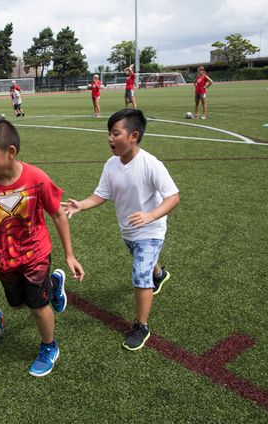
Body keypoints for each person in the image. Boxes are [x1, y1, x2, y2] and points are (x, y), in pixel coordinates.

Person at [0, 116, 85, 377]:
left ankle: (48, 347)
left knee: (37, 306)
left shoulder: (36, 178)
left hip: (36, 255)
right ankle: (54, 285)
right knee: (17, 304)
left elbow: (57, 215)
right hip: (4, 260)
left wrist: (69, 254)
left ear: (10, 152)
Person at [61, 109, 180, 351]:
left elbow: (173, 197)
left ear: (134, 136)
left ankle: (141, 326)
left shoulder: (151, 164)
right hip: (129, 230)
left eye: (116, 133)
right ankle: (159, 274)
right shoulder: (112, 164)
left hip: (151, 229)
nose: (110, 138)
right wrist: (81, 205)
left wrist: (151, 215)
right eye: (109, 133)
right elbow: (101, 195)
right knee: (142, 261)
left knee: (139, 274)